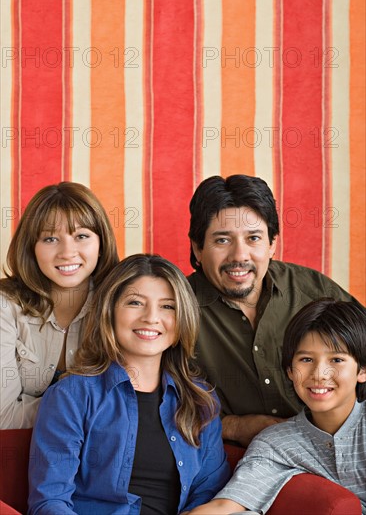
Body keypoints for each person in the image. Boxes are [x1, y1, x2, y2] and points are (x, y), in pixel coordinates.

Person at [28, 254, 230, 515]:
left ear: (182, 320)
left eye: (167, 306)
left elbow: (209, 491)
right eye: (135, 303)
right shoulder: (71, 396)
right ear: (109, 311)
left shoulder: (201, 400)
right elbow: (50, 501)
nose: (151, 318)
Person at [187, 174, 362, 446]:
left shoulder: (311, 290)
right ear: (197, 249)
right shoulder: (174, 308)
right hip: (235, 454)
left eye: (254, 238)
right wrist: (233, 426)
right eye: (222, 240)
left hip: (338, 442)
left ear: (272, 245)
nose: (239, 256)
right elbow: (151, 406)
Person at [187, 299, 366, 514]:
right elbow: (226, 505)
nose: (319, 374)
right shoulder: (275, 443)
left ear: (362, 370)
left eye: (336, 360)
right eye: (307, 359)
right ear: (290, 370)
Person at [0, 182, 119, 429]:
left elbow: (125, 409)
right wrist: (81, 406)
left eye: (82, 236)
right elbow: (4, 417)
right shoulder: (5, 306)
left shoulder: (121, 303)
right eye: (50, 238)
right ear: (31, 249)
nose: (67, 252)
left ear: (101, 244)